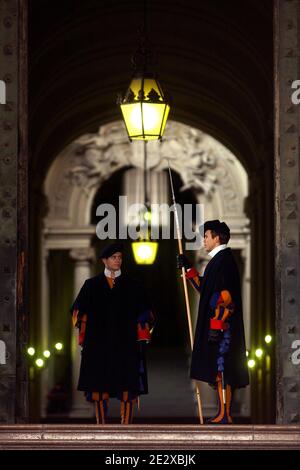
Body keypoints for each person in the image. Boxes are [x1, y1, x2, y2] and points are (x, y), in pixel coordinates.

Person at [71, 243, 154, 424]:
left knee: (127, 387)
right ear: (104, 260)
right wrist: (84, 326)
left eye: (119, 257)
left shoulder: (134, 286)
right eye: (113, 257)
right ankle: (101, 428)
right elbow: (77, 311)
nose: (117, 260)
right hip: (98, 345)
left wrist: (143, 323)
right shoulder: (91, 285)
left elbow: (147, 313)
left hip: (126, 345)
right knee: (99, 387)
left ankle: (126, 429)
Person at [177, 220, 249, 424]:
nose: (204, 240)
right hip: (216, 326)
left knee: (223, 369)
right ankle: (222, 412)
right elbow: (206, 290)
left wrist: (217, 326)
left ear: (217, 238)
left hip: (222, 327)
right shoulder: (217, 261)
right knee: (218, 371)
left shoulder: (224, 260)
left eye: (206, 236)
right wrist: (188, 269)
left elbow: (225, 297)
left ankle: (225, 414)